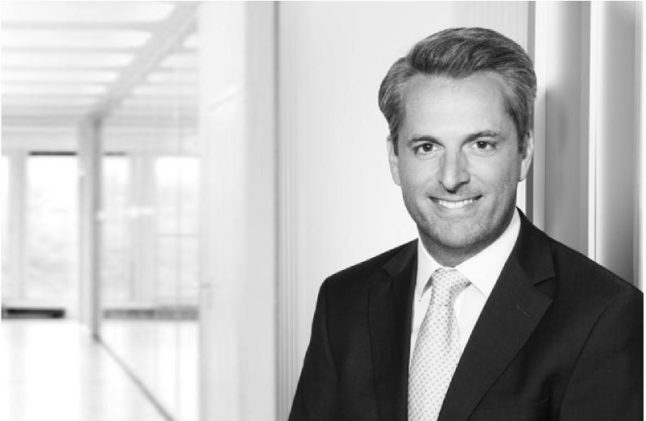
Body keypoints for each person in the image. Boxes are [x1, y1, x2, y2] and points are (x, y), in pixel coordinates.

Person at [288, 27, 643, 421]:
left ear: (524, 151)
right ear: (395, 159)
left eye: (481, 144)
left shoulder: (602, 314)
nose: (452, 177)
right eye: (427, 147)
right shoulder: (344, 301)